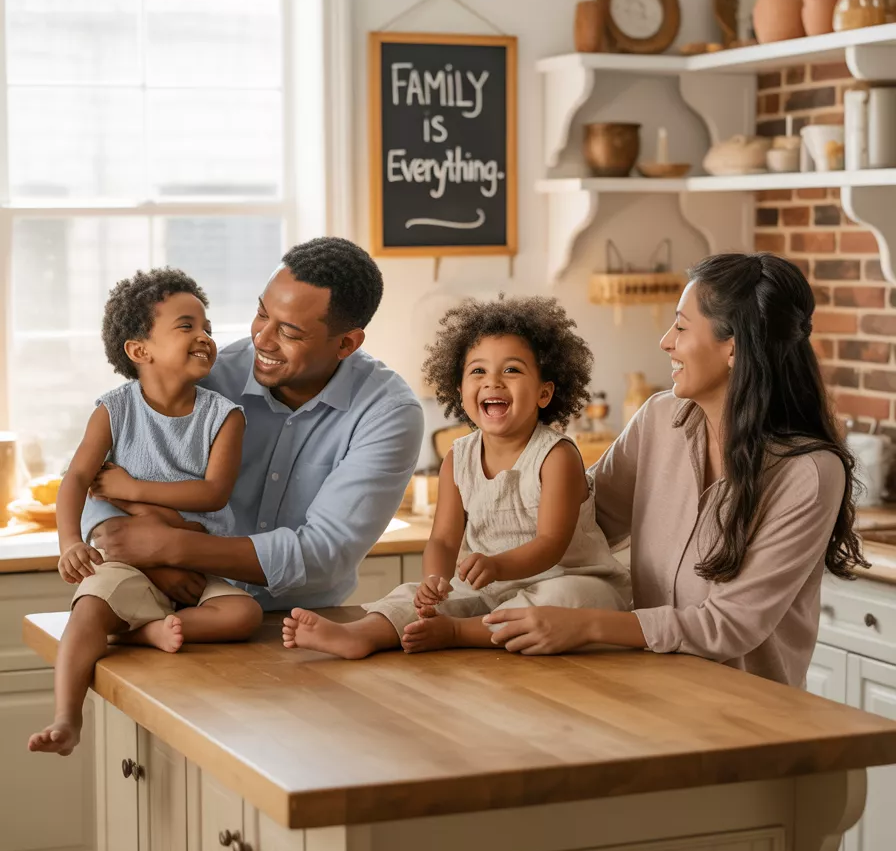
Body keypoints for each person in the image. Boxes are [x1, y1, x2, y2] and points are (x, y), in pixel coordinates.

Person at [482, 253, 866, 687]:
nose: (666, 341)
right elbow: (580, 523)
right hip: (652, 693)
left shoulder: (808, 473)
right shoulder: (659, 419)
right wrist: (502, 468)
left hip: (749, 718)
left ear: (733, 346)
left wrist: (585, 625)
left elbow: (729, 625)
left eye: (681, 327)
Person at [282, 296, 631, 658]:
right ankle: (361, 634)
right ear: (459, 390)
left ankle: (459, 632)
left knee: (562, 600)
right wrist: (436, 580)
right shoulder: (458, 457)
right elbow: (444, 541)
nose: (493, 381)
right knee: (413, 595)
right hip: (488, 585)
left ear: (544, 392)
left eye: (511, 370)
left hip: (566, 579)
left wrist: (497, 565)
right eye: (478, 371)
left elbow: (551, 543)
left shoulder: (556, 456)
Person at [90, 238, 424, 612]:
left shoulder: (387, 413)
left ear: (346, 343)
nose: (261, 340)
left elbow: (325, 554)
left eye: (290, 333)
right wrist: (152, 566)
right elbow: (95, 472)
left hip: (306, 622)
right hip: (180, 607)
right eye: (263, 314)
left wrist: (170, 547)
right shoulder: (207, 374)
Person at [28, 269, 263, 755]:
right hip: (129, 563)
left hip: (197, 563)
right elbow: (75, 480)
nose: (204, 336)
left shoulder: (225, 416)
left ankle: (143, 633)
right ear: (140, 351)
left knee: (243, 614)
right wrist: (69, 542)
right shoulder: (113, 411)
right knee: (87, 610)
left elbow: (214, 493)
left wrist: (131, 488)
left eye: (208, 327)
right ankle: (67, 719)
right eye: (186, 326)